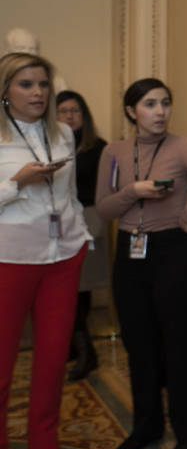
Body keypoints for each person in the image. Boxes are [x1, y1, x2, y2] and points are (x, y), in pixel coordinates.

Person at [95, 79, 187, 449]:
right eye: (150, 104)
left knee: (181, 343)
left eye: (165, 103)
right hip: (130, 254)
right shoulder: (113, 153)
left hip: (174, 251)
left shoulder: (182, 147)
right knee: (138, 344)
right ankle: (147, 426)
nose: (160, 112)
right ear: (131, 111)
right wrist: (133, 193)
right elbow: (103, 209)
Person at [0, 53, 91, 449]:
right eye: (25, 85)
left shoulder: (63, 132)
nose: (37, 93)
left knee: (54, 357)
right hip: (10, 259)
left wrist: (82, 234)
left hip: (63, 254)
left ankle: (44, 444)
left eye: (42, 84)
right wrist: (17, 182)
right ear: (5, 90)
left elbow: (69, 194)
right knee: (1, 369)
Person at [55, 91, 109, 382]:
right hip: (58, 222)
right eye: (63, 111)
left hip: (89, 219)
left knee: (82, 288)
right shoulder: (50, 146)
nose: (70, 116)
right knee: (66, 288)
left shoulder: (99, 147)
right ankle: (77, 348)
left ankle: (86, 352)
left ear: (84, 115)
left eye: (75, 110)